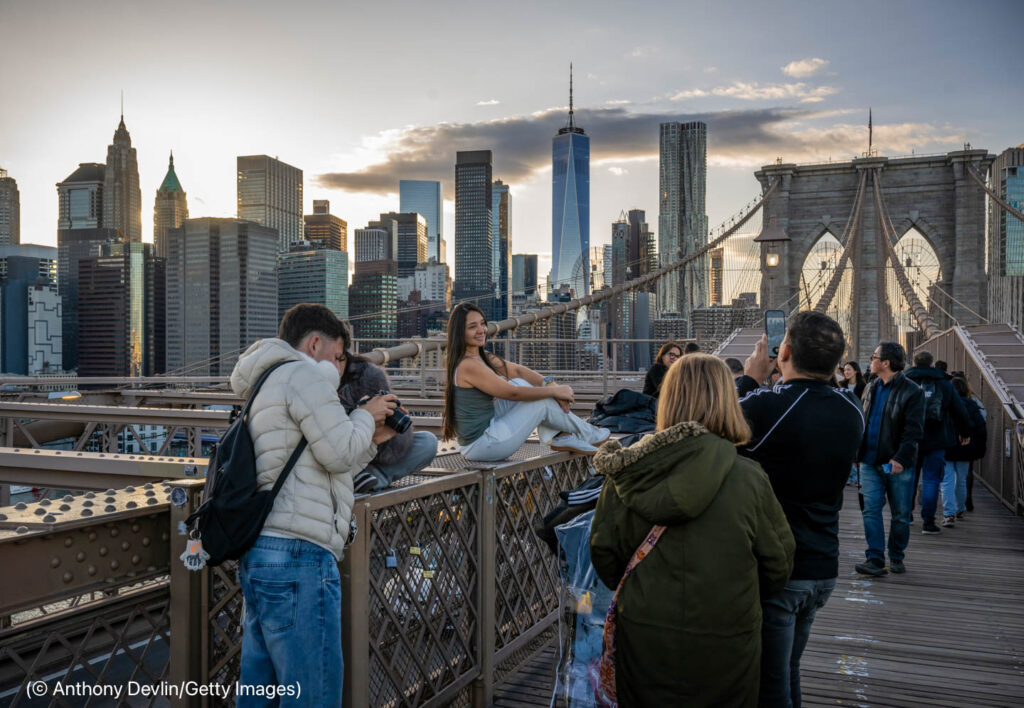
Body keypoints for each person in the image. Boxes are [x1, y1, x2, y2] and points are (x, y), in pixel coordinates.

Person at [590, 354, 794, 707]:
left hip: (645, 633)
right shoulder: (750, 479)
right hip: (727, 635)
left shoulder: (627, 473)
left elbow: (604, 554)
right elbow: (778, 564)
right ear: (728, 402)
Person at [230, 304, 398, 707]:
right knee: (312, 697)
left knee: (260, 697)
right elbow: (339, 453)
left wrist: (372, 438)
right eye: (339, 357)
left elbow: (320, 463)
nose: (341, 369)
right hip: (300, 559)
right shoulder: (305, 373)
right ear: (315, 343)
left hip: (262, 555)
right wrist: (364, 414)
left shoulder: (266, 380)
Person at [735, 311, 865, 708]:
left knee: (768, 683)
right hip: (822, 566)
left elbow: (714, 428)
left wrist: (750, 376)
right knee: (787, 670)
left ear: (784, 351)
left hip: (781, 569)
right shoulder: (852, 411)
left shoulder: (771, 407)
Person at [442, 302, 610, 461]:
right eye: (472, 327)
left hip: (485, 434)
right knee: (540, 401)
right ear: (460, 333)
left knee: (520, 382)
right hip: (483, 446)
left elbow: (517, 371)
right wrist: (554, 392)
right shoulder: (469, 365)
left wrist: (549, 383)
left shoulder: (479, 357)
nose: (481, 330)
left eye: (482, 323)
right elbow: (511, 393)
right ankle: (587, 434)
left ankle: (559, 436)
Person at [336, 322, 438, 494]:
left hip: (375, 451)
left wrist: (389, 419)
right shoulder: (315, 384)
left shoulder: (368, 375)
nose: (336, 366)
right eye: (332, 358)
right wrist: (361, 417)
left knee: (428, 442)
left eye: (341, 358)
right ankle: (372, 478)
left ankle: (371, 476)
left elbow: (390, 441)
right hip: (345, 454)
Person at [854, 342, 925, 577]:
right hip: (870, 462)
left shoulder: (912, 392)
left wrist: (900, 459)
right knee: (870, 510)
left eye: (874, 356)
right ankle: (875, 558)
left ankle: (896, 556)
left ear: (885, 363)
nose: (870, 360)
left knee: (901, 515)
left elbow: (913, 431)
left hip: (896, 464)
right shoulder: (871, 387)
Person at [903, 350, 970, 533]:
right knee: (932, 480)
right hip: (937, 439)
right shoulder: (944, 383)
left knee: (910, 479)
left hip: (910, 439)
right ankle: (928, 522)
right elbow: (960, 409)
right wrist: (965, 432)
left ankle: (906, 516)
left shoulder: (905, 381)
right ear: (932, 365)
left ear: (914, 364)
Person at [943, 376, 987, 521]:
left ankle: (948, 512)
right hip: (966, 447)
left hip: (947, 445)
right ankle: (959, 508)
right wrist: (979, 448)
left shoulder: (945, 404)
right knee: (961, 479)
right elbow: (980, 428)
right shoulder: (972, 405)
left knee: (947, 480)